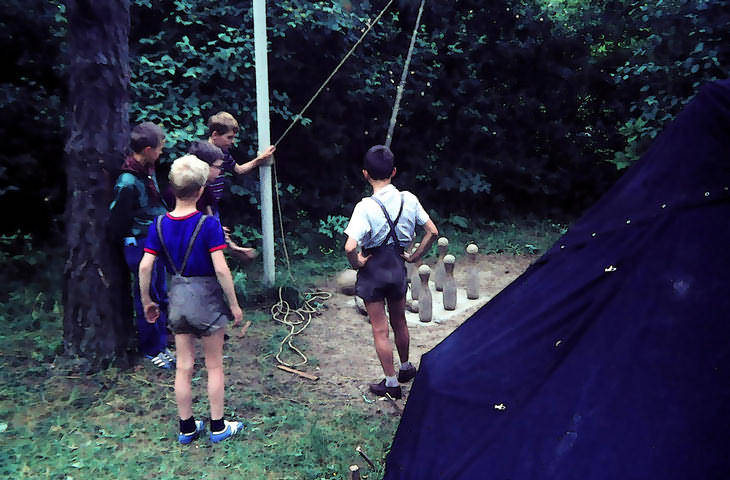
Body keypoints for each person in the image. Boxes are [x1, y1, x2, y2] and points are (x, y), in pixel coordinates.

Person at [139, 154, 245, 444]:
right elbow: (221, 269)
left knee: (184, 366)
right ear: (200, 190)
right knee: (214, 365)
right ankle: (218, 426)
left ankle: (186, 428)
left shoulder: (158, 224)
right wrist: (234, 305)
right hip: (207, 302)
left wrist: (147, 300)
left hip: (178, 301)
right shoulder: (208, 225)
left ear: (171, 189)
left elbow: (146, 265)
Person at [344, 145, 439, 399]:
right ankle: (406, 367)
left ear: (365, 174)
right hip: (397, 267)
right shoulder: (409, 199)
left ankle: (391, 383)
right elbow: (432, 231)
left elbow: (350, 246)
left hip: (373, 272)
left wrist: (358, 263)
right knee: (400, 321)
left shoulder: (364, 207)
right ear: (394, 171)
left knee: (380, 329)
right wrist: (416, 256)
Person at [108, 122, 173, 369]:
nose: (161, 153)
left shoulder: (148, 169)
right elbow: (118, 219)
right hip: (140, 244)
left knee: (160, 291)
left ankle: (162, 342)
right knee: (146, 295)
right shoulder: (127, 181)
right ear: (147, 149)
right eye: (158, 149)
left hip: (155, 238)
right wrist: (125, 241)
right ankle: (151, 348)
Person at [187, 140, 258, 262]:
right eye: (218, 167)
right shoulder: (184, 193)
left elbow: (211, 218)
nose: (220, 171)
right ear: (203, 166)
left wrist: (233, 247)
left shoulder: (206, 192)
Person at [205, 111, 276, 208]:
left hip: (213, 206)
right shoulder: (201, 154)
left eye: (233, 137)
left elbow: (239, 169)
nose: (232, 141)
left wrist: (260, 159)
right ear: (215, 135)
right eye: (229, 137)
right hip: (201, 208)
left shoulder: (223, 153)